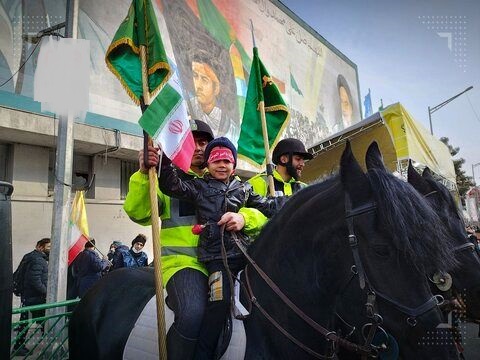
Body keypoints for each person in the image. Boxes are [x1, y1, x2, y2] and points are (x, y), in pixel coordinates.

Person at [123, 120, 263, 360]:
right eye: (190, 141)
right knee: (192, 313)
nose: (197, 147)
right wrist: (144, 175)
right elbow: (139, 213)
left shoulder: (232, 183)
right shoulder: (167, 180)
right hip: (183, 264)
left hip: (227, 262)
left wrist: (244, 217)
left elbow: (263, 217)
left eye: (203, 142)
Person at [158, 136, 284, 359]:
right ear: (207, 164)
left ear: (234, 165)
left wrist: (296, 202)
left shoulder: (244, 189)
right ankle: (203, 353)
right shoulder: (198, 187)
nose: (222, 165)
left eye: (227, 160)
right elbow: (171, 185)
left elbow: (268, 208)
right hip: (216, 259)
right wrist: (165, 160)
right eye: (216, 160)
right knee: (219, 302)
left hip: (245, 255)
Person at [11, 238, 50, 356]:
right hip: (35, 297)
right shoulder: (38, 260)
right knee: (42, 321)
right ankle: (52, 344)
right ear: (40, 246)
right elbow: (35, 280)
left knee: (28, 322)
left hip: (29, 296)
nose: (50, 249)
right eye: (48, 247)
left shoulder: (32, 257)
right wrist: (47, 291)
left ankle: (19, 346)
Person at [190, 52, 238, 141]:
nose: (198, 86)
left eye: (204, 79)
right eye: (195, 76)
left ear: (216, 88)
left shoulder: (230, 128)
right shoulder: (184, 110)